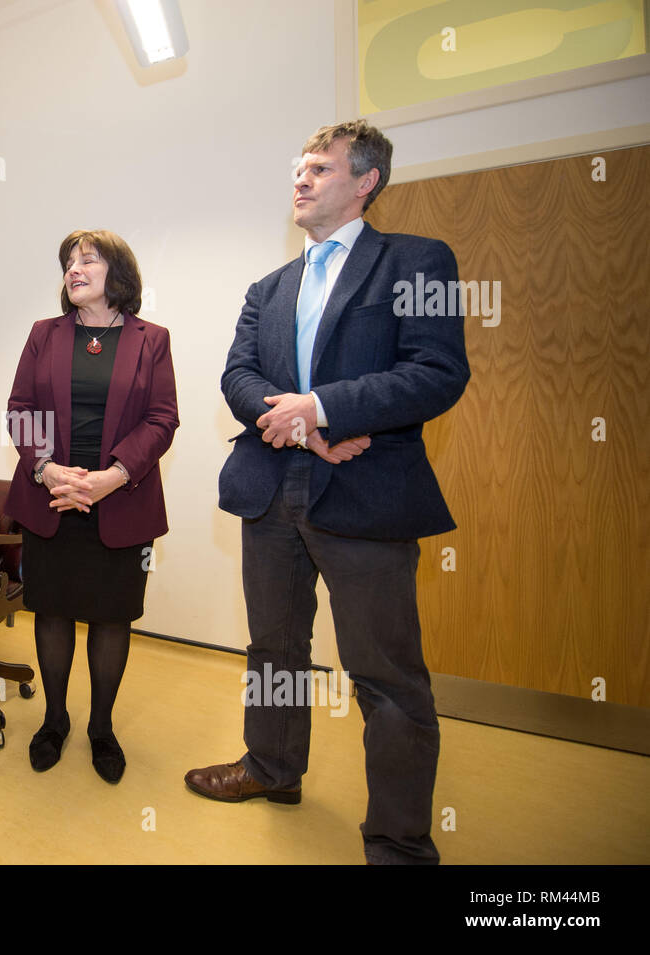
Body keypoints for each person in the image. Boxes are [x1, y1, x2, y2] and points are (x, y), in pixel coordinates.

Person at [184, 120, 470, 864]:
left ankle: (399, 843)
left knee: (386, 676)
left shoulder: (418, 261)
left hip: (367, 493)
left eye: (319, 167)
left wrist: (322, 406)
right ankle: (272, 768)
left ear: (366, 180)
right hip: (271, 486)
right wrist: (305, 427)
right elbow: (238, 376)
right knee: (274, 649)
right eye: (297, 167)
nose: (301, 179)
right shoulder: (268, 287)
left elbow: (438, 371)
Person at [4, 230, 178, 783]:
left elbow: (162, 418)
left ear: (117, 273)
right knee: (51, 611)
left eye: (87, 260)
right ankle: (54, 720)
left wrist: (114, 476)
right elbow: (20, 408)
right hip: (50, 496)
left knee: (111, 617)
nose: (73, 270)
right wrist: (47, 469)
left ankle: (101, 727)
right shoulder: (43, 334)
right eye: (67, 263)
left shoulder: (152, 339)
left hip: (119, 500)